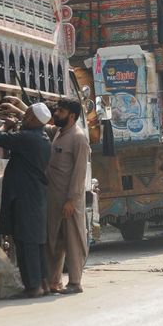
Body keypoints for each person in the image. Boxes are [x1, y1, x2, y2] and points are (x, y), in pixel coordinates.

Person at [0, 102, 53, 298]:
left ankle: (33, 286)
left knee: (27, 242)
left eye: (26, 115)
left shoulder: (28, 137)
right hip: (33, 196)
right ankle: (43, 283)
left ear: (34, 119)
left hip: (25, 196)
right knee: (36, 242)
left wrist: (5, 126)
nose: (23, 117)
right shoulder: (41, 138)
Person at [46, 99, 91, 295]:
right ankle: (54, 282)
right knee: (54, 242)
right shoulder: (58, 132)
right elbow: (40, 122)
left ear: (71, 115)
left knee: (73, 242)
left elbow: (80, 173)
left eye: (60, 111)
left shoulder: (78, 137)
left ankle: (75, 282)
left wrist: (72, 200)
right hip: (54, 199)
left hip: (69, 200)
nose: (56, 113)